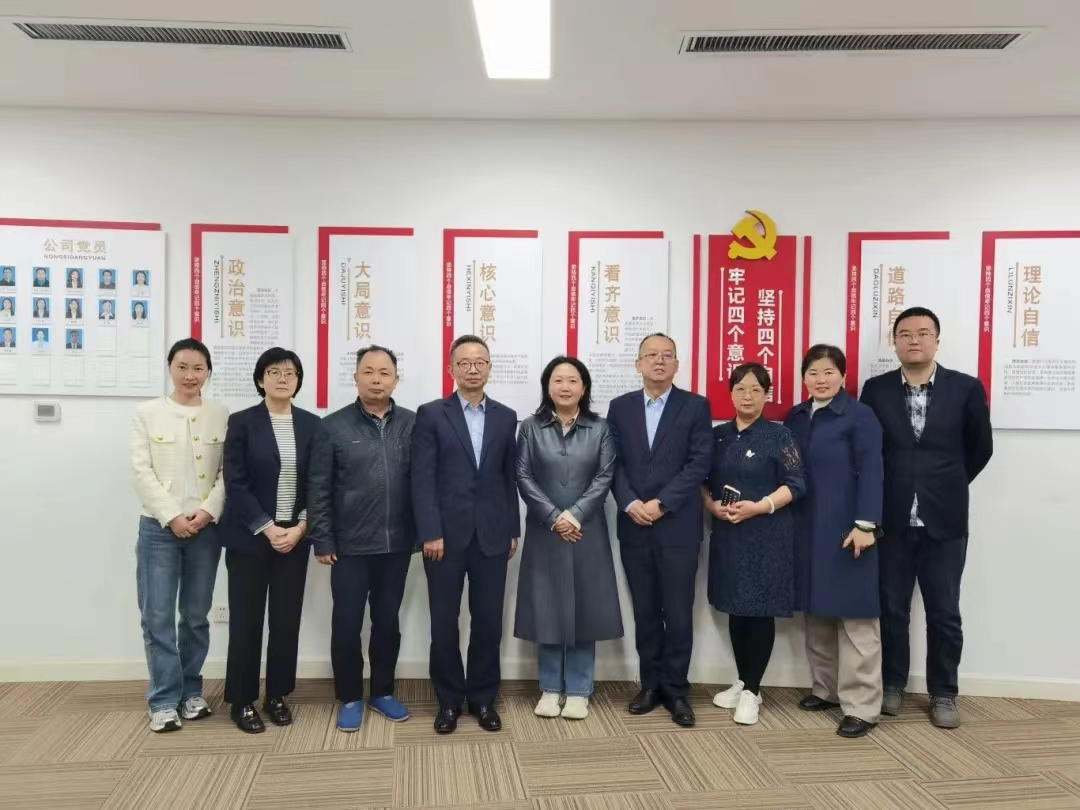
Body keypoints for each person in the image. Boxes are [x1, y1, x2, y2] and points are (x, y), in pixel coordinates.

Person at [860, 306, 993, 729]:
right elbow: (869, 451)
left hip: (945, 520)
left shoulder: (966, 388)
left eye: (922, 333)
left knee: (944, 612)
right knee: (891, 609)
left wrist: (945, 482)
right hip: (892, 519)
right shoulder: (876, 389)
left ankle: (944, 692)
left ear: (937, 340)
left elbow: (981, 448)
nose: (913, 340)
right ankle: (892, 684)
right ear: (894, 342)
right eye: (905, 333)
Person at [411, 334, 520, 734]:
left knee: (488, 622)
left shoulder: (506, 416)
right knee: (444, 622)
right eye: (464, 363)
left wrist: (512, 529)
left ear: (489, 367)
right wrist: (430, 532)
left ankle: (483, 698)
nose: (472, 369)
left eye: (480, 362)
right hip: (443, 538)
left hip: (492, 535)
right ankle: (449, 701)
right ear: (451, 369)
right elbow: (421, 479)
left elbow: (508, 478)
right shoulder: (431, 414)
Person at [309, 345, 418, 733]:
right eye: (368, 372)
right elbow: (318, 488)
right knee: (347, 623)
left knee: (387, 622)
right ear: (355, 377)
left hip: (397, 545)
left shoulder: (413, 424)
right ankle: (350, 696)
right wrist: (323, 539)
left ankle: (383, 692)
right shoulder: (332, 427)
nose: (376, 380)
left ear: (396, 380)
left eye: (384, 373)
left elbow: (423, 484)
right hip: (350, 547)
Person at [607, 333, 712, 728]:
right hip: (634, 524)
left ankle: (677, 690)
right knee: (646, 611)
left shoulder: (695, 406)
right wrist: (630, 502)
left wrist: (662, 503)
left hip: (678, 526)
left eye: (668, 355)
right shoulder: (620, 407)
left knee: (679, 613)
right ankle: (650, 684)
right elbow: (612, 462)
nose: (659, 361)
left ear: (677, 365)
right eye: (651, 355)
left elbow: (699, 462)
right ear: (638, 364)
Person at [220, 348, 323, 734]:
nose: (283, 378)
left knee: (285, 621)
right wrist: (266, 527)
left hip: (294, 538)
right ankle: (242, 699)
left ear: (298, 381)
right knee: (246, 622)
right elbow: (235, 482)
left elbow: (318, 483)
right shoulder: (242, 422)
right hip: (250, 538)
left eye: (290, 373)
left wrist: (300, 527)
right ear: (260, 379)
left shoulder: (312, 424)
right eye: (274, 372)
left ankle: (277, 694)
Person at [514, 356, 622, 721]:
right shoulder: (530, 428)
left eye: (572, 380)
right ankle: (549, 687)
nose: (565, 386)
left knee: (585, 608)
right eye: (558, 380)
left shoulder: (600, 428)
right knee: (546, 606)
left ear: (584, 387)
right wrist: (553, 517)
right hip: (544, 530)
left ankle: (578, 689)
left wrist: (574, 514)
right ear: (548, 387)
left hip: (586, 530)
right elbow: (523, 475)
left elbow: (605, 476)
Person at [784, 346, 884, 738]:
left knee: (856, 617)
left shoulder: (860, 415)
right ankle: (825, 689)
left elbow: (873, 470)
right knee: (817, 610)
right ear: (803, 377)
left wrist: (866, 524)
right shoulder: (796, 416)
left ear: (843, 375)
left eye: (828, 372)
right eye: (813, 372)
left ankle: (862, 707)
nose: (820, 380)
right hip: (806, 528)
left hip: (848, 529)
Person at [130, 338, 228, 733]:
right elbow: (141, 472)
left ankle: (191, 692)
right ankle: (163, 700)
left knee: (196, 616)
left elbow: (227, 473)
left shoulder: (220, 414)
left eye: (198, 368)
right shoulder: (147, 413)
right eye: (182, 366)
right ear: (170, 367)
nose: (190, 375)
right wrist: (172, 517)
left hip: (206, 529)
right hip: (158, 528)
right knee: (157, 616)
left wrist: (206, 512)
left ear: (208, 372)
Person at [704, 363, 805, 726]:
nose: (747, 397)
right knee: (736, 608)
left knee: (759, 611)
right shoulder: (717, 436)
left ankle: (753, 691)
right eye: (740, 389)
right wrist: (711, 505)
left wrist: (760, 506)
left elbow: (796, 484)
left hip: (767, 535)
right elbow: (701, 481)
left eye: (756, 390)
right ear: (730, 394)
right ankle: (744, 680)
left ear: (767, 395)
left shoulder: (781, 436)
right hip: (729, 534)